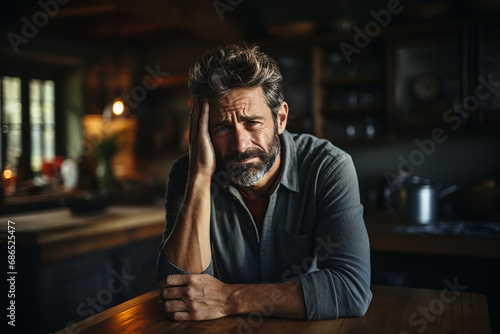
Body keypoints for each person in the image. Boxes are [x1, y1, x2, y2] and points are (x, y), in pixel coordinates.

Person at [157, 43, 372, 321]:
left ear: (280, 118)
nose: (240, 145)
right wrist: (199, 176)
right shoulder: (187, 173)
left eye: (252, 123)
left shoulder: (328, 168)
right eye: (222, 127)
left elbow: (349, 289)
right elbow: (178, 294)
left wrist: (228, 298)